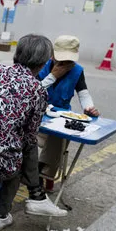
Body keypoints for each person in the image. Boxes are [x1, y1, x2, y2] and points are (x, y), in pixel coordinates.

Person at [0, 34, 68, 231]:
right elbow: (30, 135)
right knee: (21, 152)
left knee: (15, 146)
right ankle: (5, 212)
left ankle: (36, 195)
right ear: (43, 63)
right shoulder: (37, 90)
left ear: (18, 53)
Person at [37, 35, 100, 184]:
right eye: (61, 60)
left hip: (60, 118)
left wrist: (89, 107)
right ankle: (34, 171)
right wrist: (53, 76)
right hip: (37, 116)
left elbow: (83, 94)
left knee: (59, 136)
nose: (65, 63)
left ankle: (45, 173)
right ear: (53, 56)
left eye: (69, 61)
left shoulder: (77, 71)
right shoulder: (42, 66)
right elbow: (32, 91)